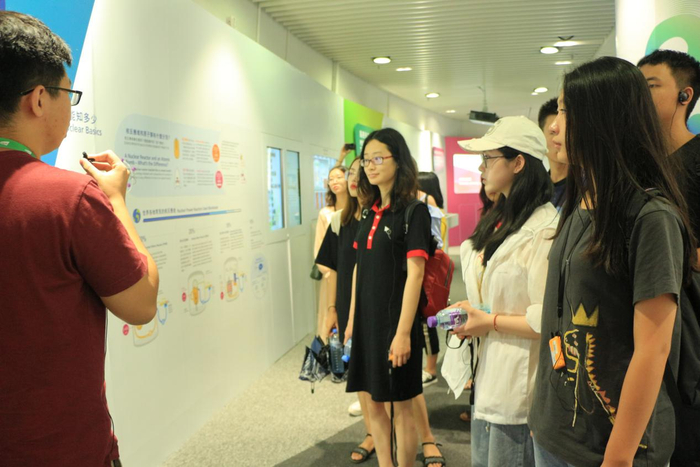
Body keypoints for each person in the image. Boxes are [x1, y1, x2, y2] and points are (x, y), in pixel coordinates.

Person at [0, 11, 159, 467]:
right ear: (38, 100)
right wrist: (117, 200)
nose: (70, 107)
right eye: (67, 94)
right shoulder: (69, 198)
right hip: (62, 450)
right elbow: (141, 303)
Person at [530, 56, 697, 467]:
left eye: (566, 111)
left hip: (611, 448)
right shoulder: (582, 202)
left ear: (602, 118)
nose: (554, 126)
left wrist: (618, 458)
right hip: (556, 431)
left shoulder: (650, 216)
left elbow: (653, 349)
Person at [445, 116, 557, 467]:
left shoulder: (544, 229)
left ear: (518, 162)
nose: (481, 167)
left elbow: (546, 318)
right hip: (489, 377)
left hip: (521, 389)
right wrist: (474, 311)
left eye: (488, 158)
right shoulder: (502, 218)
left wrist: (488, 321)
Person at [345, 128, 433, 467]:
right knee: (373, 402)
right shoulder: (368, 211)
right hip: (367, 325)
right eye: (366, 159)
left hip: (396, 325)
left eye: (378, 158)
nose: (370, 166)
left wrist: (402, 333)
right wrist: (352, 320)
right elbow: (359, 268)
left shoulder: (414, 211)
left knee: (402, 407)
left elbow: (416, 275)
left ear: (398, 161)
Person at [317, 158, 376, 463]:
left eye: (358, 172)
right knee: (357, 372)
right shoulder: (339, 220)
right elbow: (333, 271)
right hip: (345, 305)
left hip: (376, 305)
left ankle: (409, 432)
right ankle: (372, 432)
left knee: (384, 374)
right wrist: (331, 310)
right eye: (350, 172)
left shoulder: (379, 217)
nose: (353, 178)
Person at [638, 49, 700, 256]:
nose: (640, 95)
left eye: (651, 86)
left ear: (685, 95)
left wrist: (670, 260)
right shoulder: (635, 161)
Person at [416, 171, 445, 387]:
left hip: (427, 267)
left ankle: (431, 368)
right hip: (418, 265)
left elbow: (437, 238)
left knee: (427, 320)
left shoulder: (427, 200)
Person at [313, 165, 347, 337]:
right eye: (331, 179)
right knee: (330, 318)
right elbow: (319, 249)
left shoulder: (358, 211)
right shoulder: (325, 213)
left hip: (352, 274)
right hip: (331, 277)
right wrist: (328, 273)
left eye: (339, 177)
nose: (335, 181)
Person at [538, 97, 568, 209]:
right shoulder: (536, 189)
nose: (558, 139)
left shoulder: (584, 187)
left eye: (564, 131)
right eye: (553, 132)